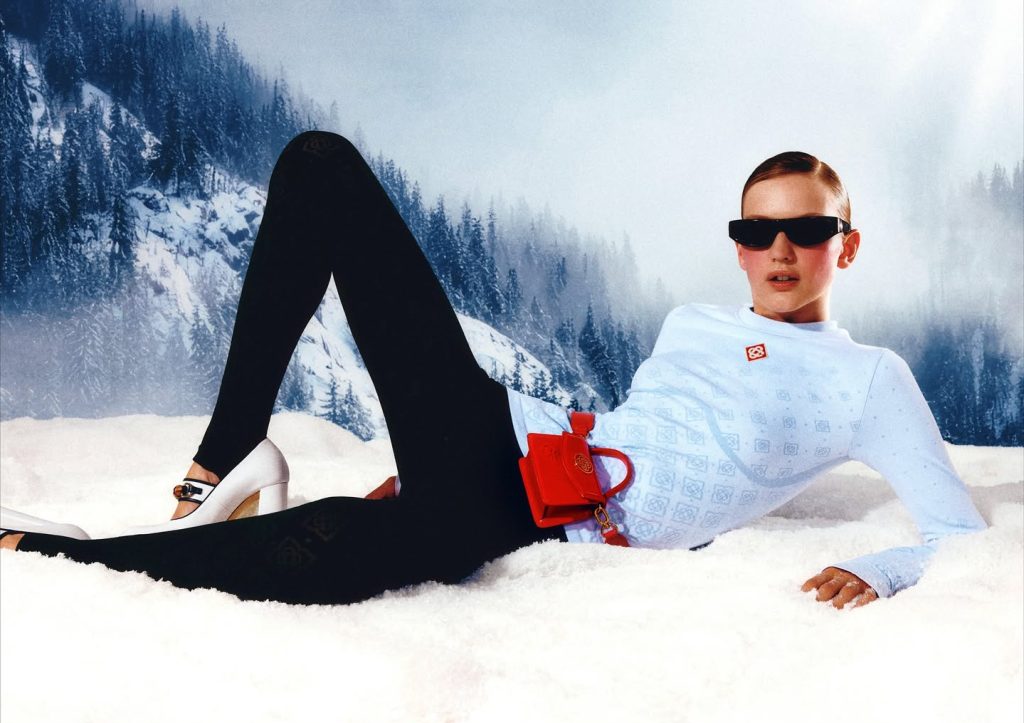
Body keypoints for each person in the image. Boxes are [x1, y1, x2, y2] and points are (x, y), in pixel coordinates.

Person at [0, 133, 987, 609]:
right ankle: (231, 448)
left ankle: (60, 560)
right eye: (757, 228)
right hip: (506, 433)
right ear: (737, 244)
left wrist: (878, 567)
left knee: (340, 543)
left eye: (807, 228)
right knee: (320, 164)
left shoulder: (870, 378)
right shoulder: (692, 323)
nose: (780, 248)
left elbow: (956, 536)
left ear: (846, 244)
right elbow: (651, 430)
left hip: (547, 514)